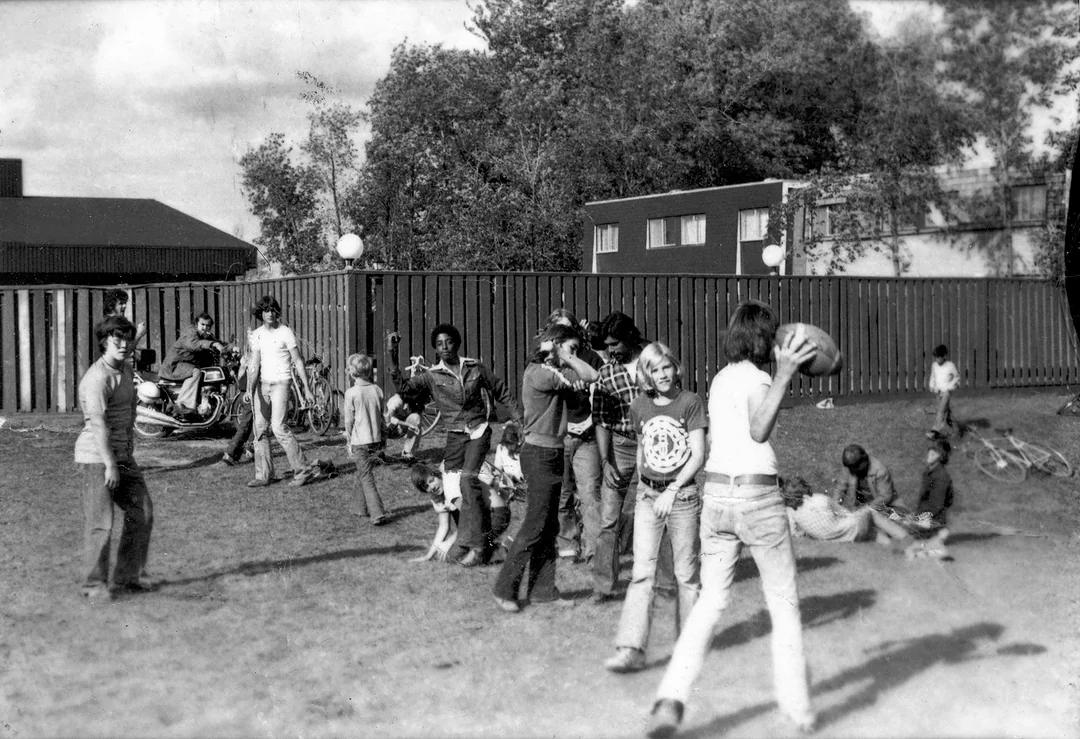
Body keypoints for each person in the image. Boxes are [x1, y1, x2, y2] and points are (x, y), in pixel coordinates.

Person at [647, 302, 818, 739]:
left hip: (716, 497)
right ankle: (797, 710)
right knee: (783, 603)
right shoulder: (762, 378)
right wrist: (783, 376)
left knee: (709, 603)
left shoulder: (721, 377)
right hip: (757, 497)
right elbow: (760, 430)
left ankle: (671, 697)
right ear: (764, 340)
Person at [604, 342, 706, 673]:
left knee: (686, 575)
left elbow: (698, 454)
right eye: (654, 369)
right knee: (642, 574)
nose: (661, 375)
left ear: (675, 368)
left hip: (682, 497)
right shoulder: (640, 406)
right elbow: (642, 450)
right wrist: (643, 489)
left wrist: (673, 490)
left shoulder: (689, 403)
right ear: (646, 374)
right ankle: (631, 649)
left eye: (666, 367)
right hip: (648, 495)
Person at [387, 323, 522, 567]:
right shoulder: (431, 376)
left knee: (467, 478)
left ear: (457, 343)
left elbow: (500, 389)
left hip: (478, 431)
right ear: (435, 349)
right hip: (455, 435)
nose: (445, 347)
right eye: (439, 344)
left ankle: (479, 546)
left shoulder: (474, 368)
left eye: (449, 342)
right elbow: (406, 390)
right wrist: (392, 357)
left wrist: (518, 420)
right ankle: (485, 543)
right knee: (451, 480)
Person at [492, 324, 599, 612]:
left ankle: (542, 591)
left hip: (551, 451)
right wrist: (565, 354)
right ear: (554, 345)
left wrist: (566, 354)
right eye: (571, 348)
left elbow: (587, 377)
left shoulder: (554, 372)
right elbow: (592, 374)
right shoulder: (540, 373)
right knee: (535, 524)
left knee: (549, 525)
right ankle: (504, 588)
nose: (575, 354)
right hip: (539, 454)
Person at [591, 311, 674, 602]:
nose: (610, 350)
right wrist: (605, 460)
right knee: (609, 520)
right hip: (619, 447)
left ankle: (665, 584)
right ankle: (603, 586)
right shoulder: (606, 373)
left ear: (630, 338)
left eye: (614, 344)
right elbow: (600, 419)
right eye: (607, 344)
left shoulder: (654, 362)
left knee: (659, 514)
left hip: (653, 445)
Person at [75, 315, 153, 601]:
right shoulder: (96, 379)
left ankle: (127, 577)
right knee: (101, 522)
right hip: (97, 456)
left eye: (127, 339)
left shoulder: (125, 368)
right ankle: (93, 585)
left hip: (121, 454)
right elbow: (97, 425)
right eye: (117, 339)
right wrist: (110, 464)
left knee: (142, 512)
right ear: (105, 342)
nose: (124, 344)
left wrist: (125, 452)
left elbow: (128, 414)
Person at [545, 309, 604, 562]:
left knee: (591, 494)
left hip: (587, 433)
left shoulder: (589, 356)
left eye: (568, 327)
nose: (564, 334)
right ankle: (568, 546)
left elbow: (600, 387)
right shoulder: (545, 362)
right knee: (563, 495)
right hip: (560, 435)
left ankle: (595, 551)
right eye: (559, 329)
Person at [245, 295, 313, 488]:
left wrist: (307, 389)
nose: (270, 314)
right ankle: (264, 475)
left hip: (281, 384)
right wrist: (250, 389)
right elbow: (255, 363)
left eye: (273, 310)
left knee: (278, 427)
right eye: (266, 310)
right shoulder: (257, 334)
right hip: (262, 385)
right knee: (259, 429)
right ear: (261, 313)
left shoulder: (285, 332)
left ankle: (303, 470)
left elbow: (298, 361)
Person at [409, 461, 512, 563]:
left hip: (496, 514)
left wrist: (449, 542)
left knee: (468, 560)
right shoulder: (436, 495)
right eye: (426, 487)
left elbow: (470, 517)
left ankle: (503, 549)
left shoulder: (451, 483)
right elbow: (443, 526)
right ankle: (493, 549)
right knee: (450, 556)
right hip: (478, 521)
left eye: (431, 481)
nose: (431, 487)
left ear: (437, 474)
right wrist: (428, 556)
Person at [782, 476, 915, 548]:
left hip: (837, 539)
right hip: (850, 530)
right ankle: (906, 538)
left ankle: (890, 546)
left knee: (869, 529)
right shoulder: (820, 499)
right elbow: (846, 513)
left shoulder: (791, 512)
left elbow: (795, 534)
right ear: (803, 491)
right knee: (871, 512)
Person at [342, 353, 390, 525]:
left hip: (359, 441)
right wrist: (383, 438)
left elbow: (348, 421)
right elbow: (384, 417)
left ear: (351, 372)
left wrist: (348, 440)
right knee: (363, 472)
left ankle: (377, 513)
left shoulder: (351, 393)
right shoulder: (377, 390)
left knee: (366, 476)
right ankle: (359, 508)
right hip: (376, 440)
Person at [161, 312, 227, 416]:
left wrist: (231, 348)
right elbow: (193, 345)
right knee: (196, 372)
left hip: (185, 365)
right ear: (197, 324)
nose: (205, 328)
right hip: (174, 365)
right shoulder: (190, 333)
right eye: (202, 324)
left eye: (208, 325)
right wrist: (213, 344)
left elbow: (219, 344)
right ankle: (182, 404)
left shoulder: (207, 336)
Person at [838, 444, 899, 512]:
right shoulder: (850, 466)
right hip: (861, 503)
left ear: (863, 462)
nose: (850, 471)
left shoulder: (880, 471)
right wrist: (833, 506)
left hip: (881, 505)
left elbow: (885, 497)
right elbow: (840, 488)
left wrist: (864, 510)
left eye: (855, 468)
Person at [927, 343, 960, 438]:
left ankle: (935, 432)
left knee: (941, 411)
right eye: (936, 357)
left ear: (944, 356)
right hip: (938, 392)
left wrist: (950, 386)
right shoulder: (934, 365)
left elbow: (956, 377)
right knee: (947, 413)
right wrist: (932, 385)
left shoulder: (950, 366)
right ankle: (957, 431)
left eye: (939, 357)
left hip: (946, 393)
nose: (937, 360)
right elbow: (933, 376)